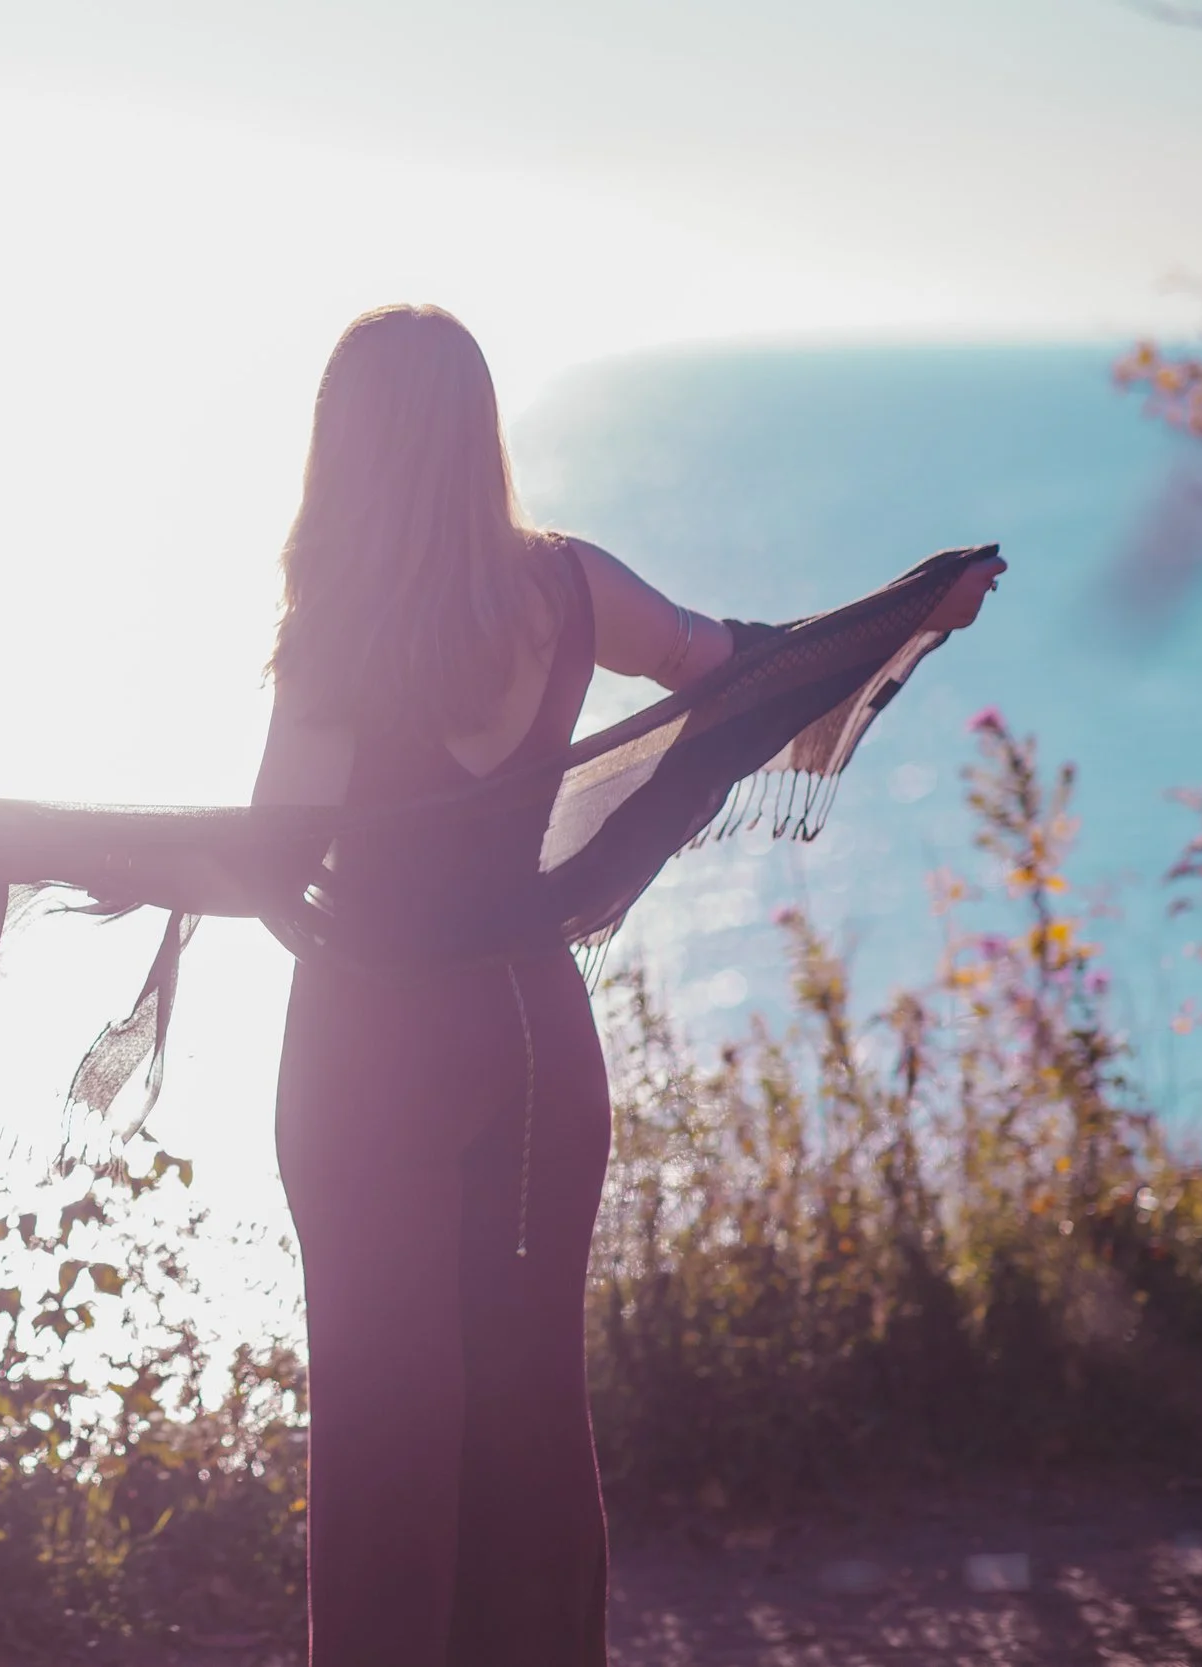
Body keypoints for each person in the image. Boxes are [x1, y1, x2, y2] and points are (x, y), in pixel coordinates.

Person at [225, 304, 1005, 1663]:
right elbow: (739, 670)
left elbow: (264, 858)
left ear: (340, 449)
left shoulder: (337, 637)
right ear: (478, 440)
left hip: (369, 1054)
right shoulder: (569, 588)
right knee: (529, 1414)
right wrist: (900, 612)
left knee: (386, 1430)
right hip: (534, 1043)